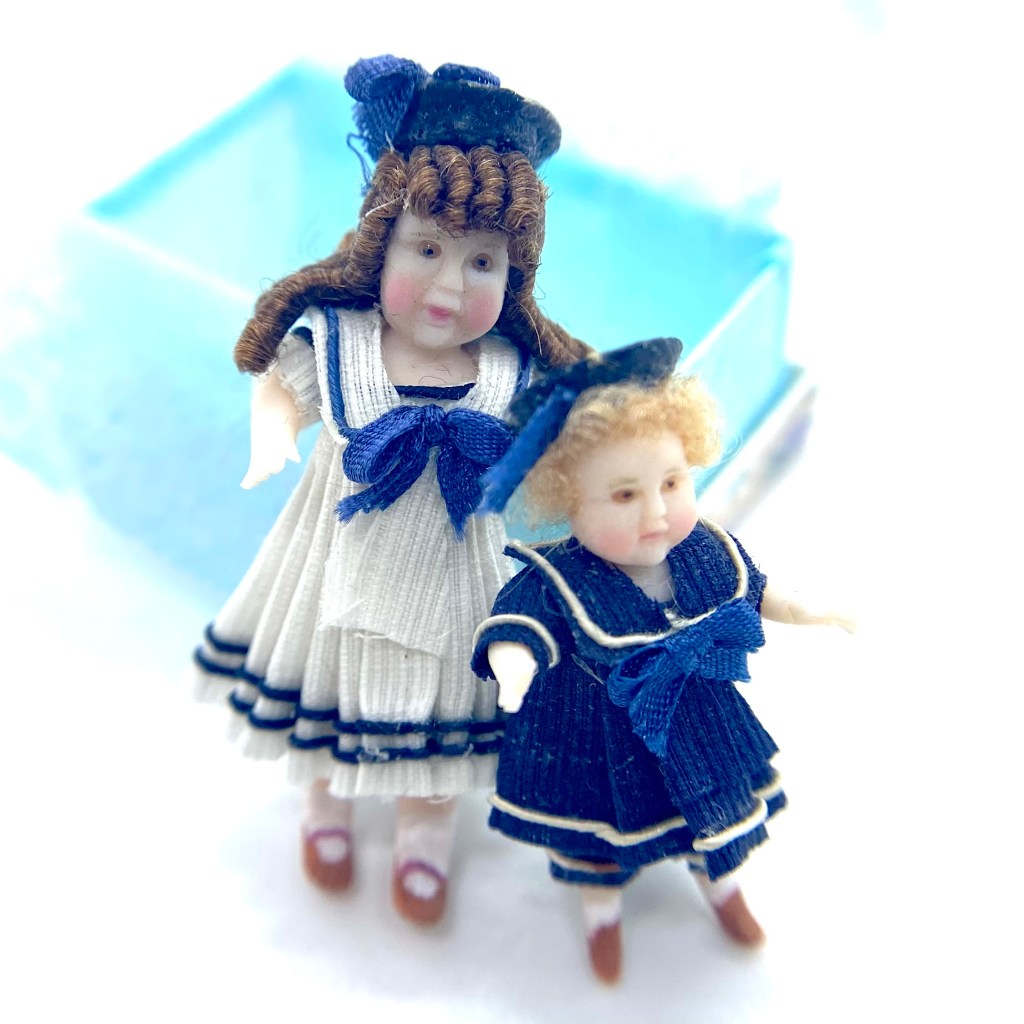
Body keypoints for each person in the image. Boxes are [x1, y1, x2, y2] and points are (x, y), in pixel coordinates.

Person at [193, 55, 588, 925]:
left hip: (456, 575)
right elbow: (280, 387)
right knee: (329, 688)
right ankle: (326, 811)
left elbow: (558, 453)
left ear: (515, 274)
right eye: (429, 249)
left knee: (443, 717)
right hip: (339, 560)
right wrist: (273, 430)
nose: (450, 286)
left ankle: (422, 840)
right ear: (382, 241)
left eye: (482, 262)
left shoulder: (509, 368)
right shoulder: (342, 343)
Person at [472, 339, 853, 980]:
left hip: (692, 715)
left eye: (672, 483)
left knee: (711, 812)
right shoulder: (561, 576)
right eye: (624, 496)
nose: (656, 513)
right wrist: (515, 667)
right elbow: (522, 623)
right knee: (597, 838)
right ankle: (601, 915)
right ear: (568, 500)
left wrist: (806, 608)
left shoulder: (700, 549)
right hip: (592, 730)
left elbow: (754, 589)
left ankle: (722, 887)